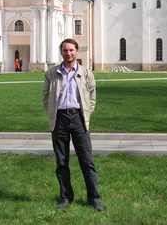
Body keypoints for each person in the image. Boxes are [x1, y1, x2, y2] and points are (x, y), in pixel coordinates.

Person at [41, 38, 104, 212]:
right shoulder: (51, 73)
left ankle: (94, 198)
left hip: (79, 119)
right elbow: (45, 98)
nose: (68, 53)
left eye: (71, 50)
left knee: (87, 161)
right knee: (62, 161)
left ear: (76, 52)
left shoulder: (85, 73)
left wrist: (86, 114)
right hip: (59, 120)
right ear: (61, 52)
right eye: (65, 50)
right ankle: (66, 197)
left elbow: (92, 97)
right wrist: (53, 113)